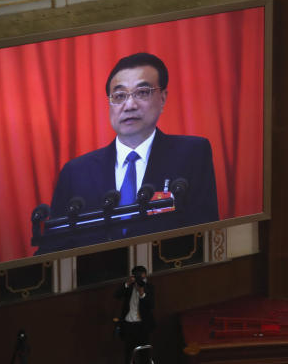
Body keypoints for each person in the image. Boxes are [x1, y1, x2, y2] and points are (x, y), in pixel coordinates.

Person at [49, 53, 219, 241]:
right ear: (109, 103)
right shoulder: (76, 172)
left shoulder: (191, 154)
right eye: (119, 96)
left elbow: (205, 233)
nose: (129, 105)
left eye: (142, 92)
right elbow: (53, 247)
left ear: (162, 98)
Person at [115, 266, 155, 364]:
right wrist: (127, 283)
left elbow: (151, 306)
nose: (140, 280)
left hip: (142, 327)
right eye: (137, 277)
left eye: (142, 277)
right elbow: (116, 296)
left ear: (145, 276)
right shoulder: (128, 287)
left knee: (144, 357)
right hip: (129, 326)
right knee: (129, 358)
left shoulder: (150, 288)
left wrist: (142, 293)